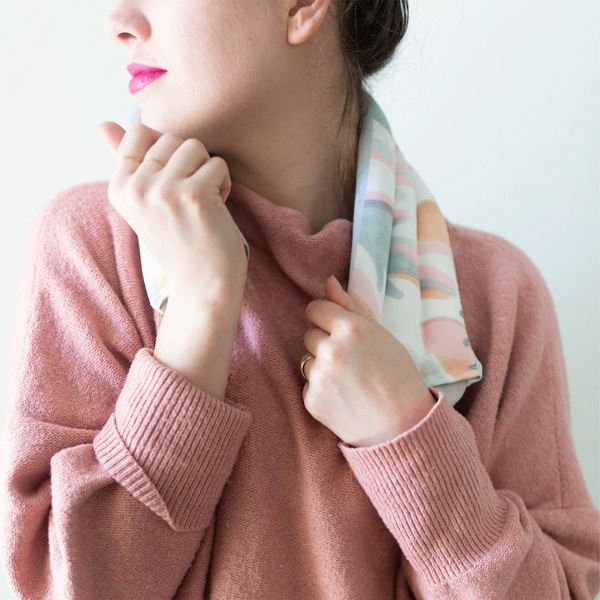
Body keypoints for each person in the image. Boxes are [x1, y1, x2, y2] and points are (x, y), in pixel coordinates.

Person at [0, 0, 598, 599]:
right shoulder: (96, 252)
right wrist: (200, 310)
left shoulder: (494, 296)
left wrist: (410, 437)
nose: (119, 21)